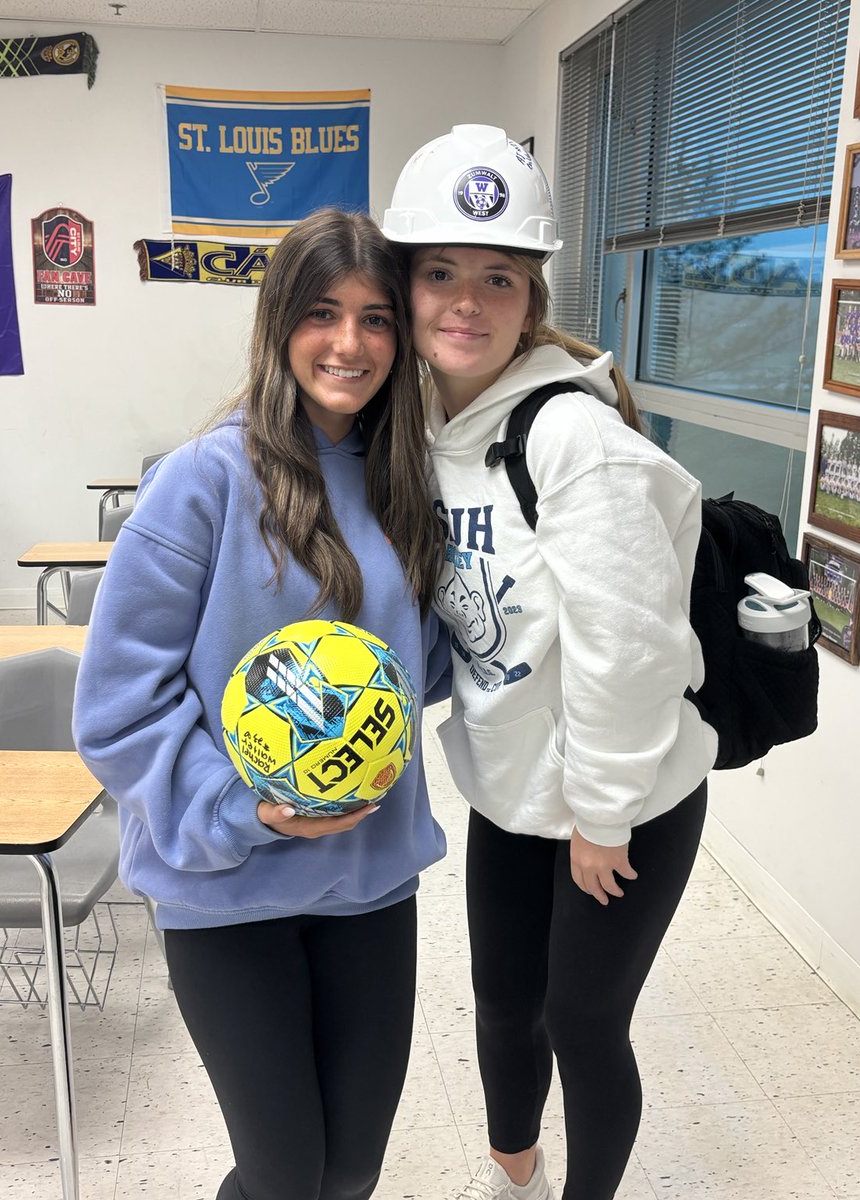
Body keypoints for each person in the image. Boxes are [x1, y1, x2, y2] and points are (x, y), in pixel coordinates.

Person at [73, 207, 450, 1200]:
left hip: (371, 886)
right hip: (225, 890)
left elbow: (423, 673)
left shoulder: (406, 481)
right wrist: (241, 809)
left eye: (377, 318)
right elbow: (118, 704)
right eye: (324, 312)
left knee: (353, 1172)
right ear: (281, 322)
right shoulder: (201, 482)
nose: (350, 343)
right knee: (285, 1175)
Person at [383, 125, 718, 1200]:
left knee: (581, 1019)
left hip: (622, 790)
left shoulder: (567, 435)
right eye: (439, 273)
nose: (466, 302)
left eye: (497, 277)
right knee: (500, 1001)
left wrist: (604, 813)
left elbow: (633, 648)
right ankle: (512, 1175)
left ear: (531, 297)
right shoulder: (428, 425)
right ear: (404, 285)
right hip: (516, 786)